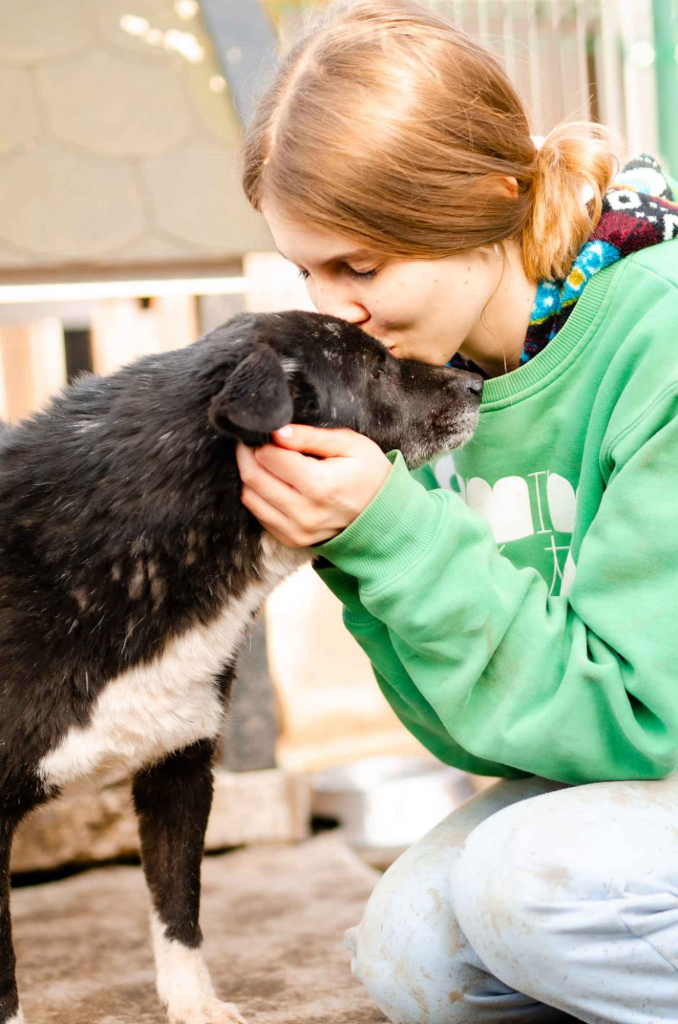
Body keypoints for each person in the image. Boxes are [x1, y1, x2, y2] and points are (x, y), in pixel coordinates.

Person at [235, 1, 678, 1020]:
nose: (329, 306)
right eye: (305, 267)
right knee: (412, 955)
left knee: (519, 881)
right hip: (627, 768)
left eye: (361, 264)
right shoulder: (423, 376)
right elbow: (490, 737)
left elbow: (637, 723)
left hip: (659, 737)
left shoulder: (657, 336)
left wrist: (394, 530)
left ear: (486, 203)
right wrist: (359, 543)